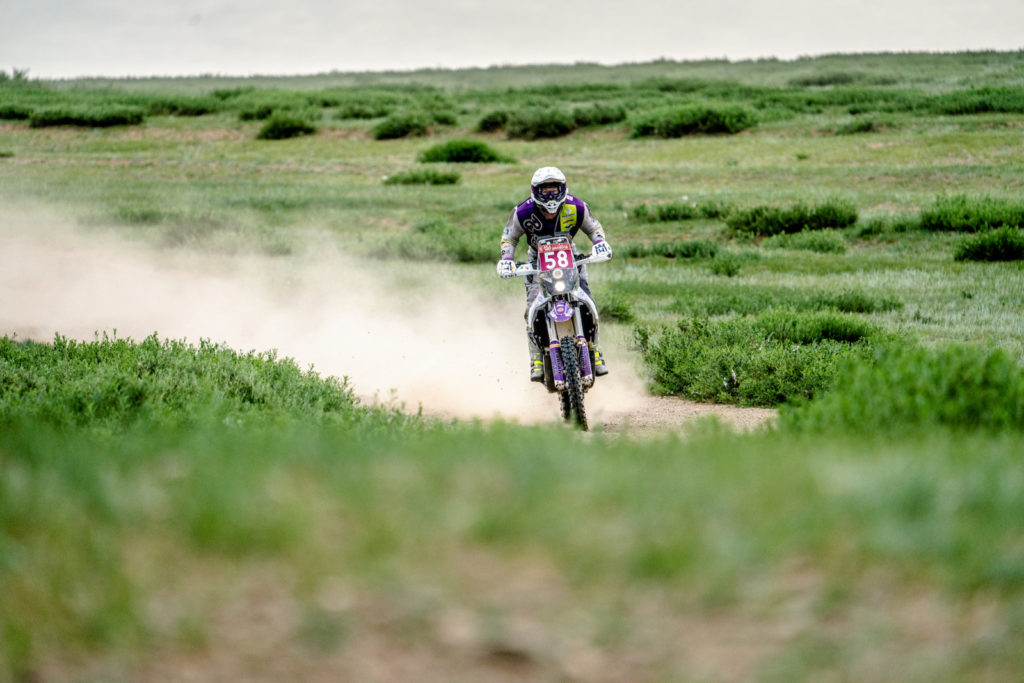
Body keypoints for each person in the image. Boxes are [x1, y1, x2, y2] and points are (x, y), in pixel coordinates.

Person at [496, 166, 612, 382]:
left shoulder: (576, 206)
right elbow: (509, 237)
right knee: (532, 306)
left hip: (571, 256)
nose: (550, 196)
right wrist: (506, 260)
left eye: (554, 190)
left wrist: (600, 244)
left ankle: (595, 350)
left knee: (587, 300)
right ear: (535, 191)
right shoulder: (522, 212)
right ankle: (537, 358)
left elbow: (594, 227)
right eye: (544, 191)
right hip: (536, 260)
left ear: (563, 189)